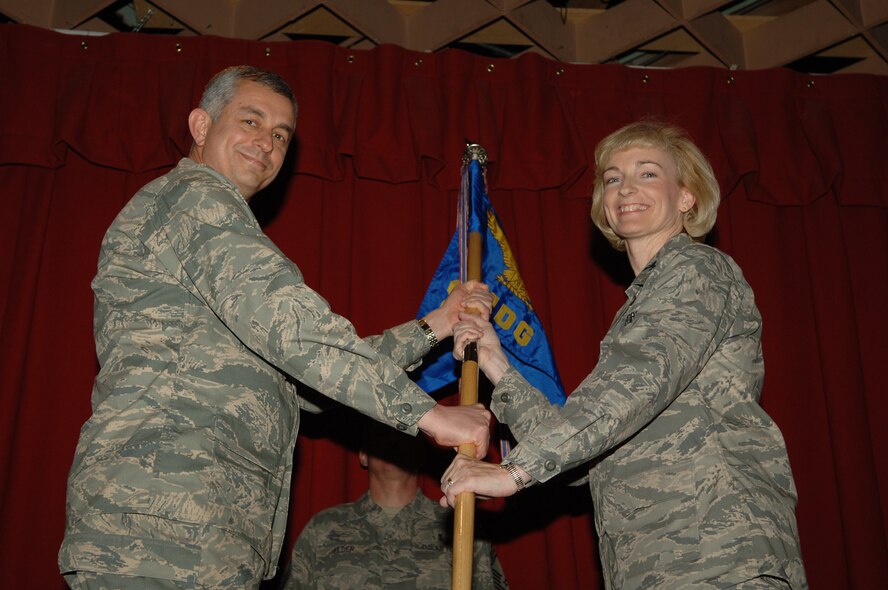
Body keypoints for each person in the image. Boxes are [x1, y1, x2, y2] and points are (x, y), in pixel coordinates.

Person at [58, 65, 492, 590]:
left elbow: (300, 375)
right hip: (157, 523)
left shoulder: (214, 226)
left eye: (281, 135)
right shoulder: (194, 200)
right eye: (251, 121)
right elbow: (293, 329)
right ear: (200, 125)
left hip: (200, 535)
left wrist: (434, 326)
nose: (266, 143)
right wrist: (428, 416)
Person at [440, 120, 808, 589]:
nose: (625, 188)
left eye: (647, 173)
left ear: (687, 196)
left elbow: (636, 384)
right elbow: (583, 456)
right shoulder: (638, 310)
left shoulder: (697, 269)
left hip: (717, 557)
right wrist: (497, 363)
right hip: (649, 566)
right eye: (612, 178)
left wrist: (513, 472)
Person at [281, 422, 509, 590]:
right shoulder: (323, 528)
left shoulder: (462, 525)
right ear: (363, 455)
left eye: (403, 435)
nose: (392, 441)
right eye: (381, 433)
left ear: (420, 453)